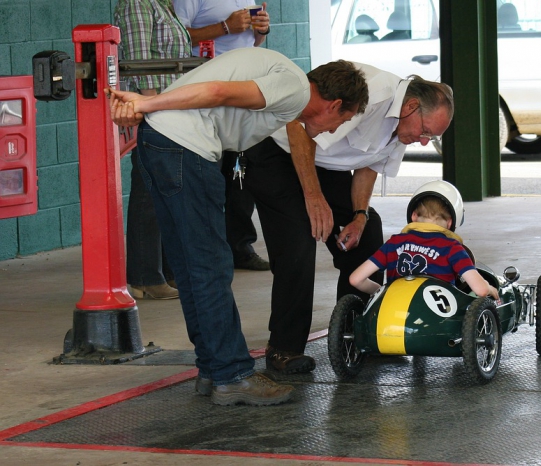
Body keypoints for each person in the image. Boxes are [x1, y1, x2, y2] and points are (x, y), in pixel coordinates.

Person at [107, 48, 368, 406]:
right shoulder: (294, 87)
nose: (336, 129)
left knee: (189, 265)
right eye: (344, 119)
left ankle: (213, 369)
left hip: (161, 143)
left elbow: (215, 93)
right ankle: (232, 375)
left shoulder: (288, 90)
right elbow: (217, 92)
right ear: (334, 103)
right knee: (211, 266)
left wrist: (147, 108)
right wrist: (143, 104)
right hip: (186, 147)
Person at [242, 64, 454, 374]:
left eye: (430, 138)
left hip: (325, 166)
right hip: (279, 154)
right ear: (411, 107)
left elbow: (369, 164)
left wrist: (358, 215)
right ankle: (284, 349)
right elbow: (299, 127)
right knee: (299, 239)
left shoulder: (405, 123)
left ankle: (357, 334)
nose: (424, 141)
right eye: (425, 132)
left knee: (369, 231)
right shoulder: (372, 97)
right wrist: (314, 198)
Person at [173, 0, 272, 271]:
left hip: (243, 86)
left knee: (241, 170)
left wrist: (261, 30)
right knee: (208, 174)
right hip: (207, 86)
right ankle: (208, 253)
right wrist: (224, 27)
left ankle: (240, 246)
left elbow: (253, 42)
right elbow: (177, 37)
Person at [114, 0, 192, 299]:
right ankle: (145, 276)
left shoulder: (163, 4)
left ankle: (164, 271)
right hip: (157, 110)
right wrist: (154, 109)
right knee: (149, 192)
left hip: (172, 107)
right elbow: (139, 62)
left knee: (163, 190)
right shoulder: (137, 3)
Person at [350, 179, 500, 301]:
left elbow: (356, 279)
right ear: (450, 223)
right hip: (435, 323)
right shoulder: (452, 248)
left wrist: (382, 292)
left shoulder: (394, 243)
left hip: (392, 315)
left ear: (414, 216)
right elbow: (480, 290)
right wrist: (489, 287)